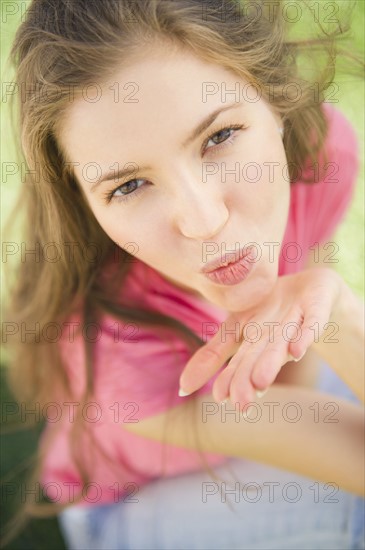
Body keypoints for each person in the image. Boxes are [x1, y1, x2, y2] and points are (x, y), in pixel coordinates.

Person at [3, 0, 364, 548]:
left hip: (273, 400)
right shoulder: (115, 347)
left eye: (219, 137)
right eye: (128, 185)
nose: (204, 220)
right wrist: (339, 315)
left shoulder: (320, 155)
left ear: (276, 100)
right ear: (86, 205)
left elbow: (296, 369)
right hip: (134, 503)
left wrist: (331, 303)